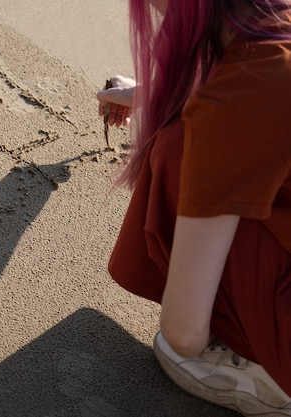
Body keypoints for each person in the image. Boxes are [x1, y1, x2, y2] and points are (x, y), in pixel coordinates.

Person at [97, 0, 291, 415]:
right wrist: (154, 93)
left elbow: (182, 335)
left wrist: (202, 112)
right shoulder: (275, 35)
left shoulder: (239, 101)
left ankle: (272, 379)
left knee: (178, 153)